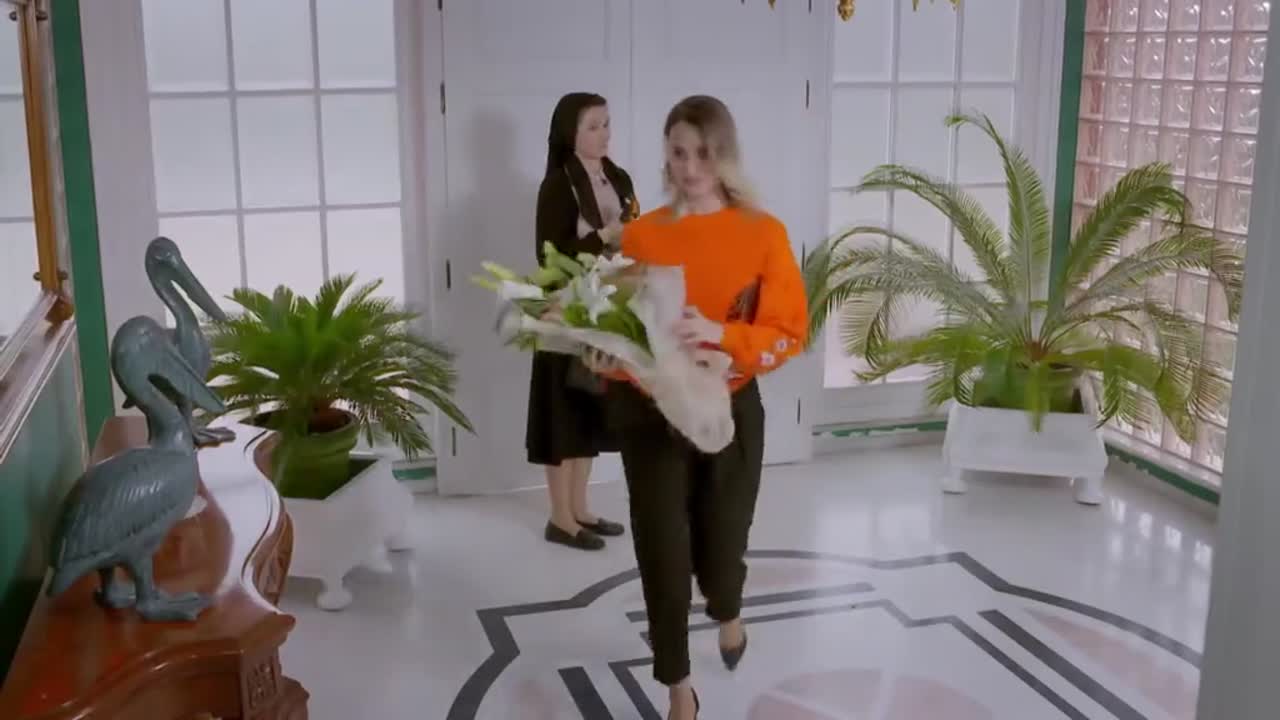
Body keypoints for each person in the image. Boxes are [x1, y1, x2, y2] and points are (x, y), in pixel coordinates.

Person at [588, 95, 807, 720]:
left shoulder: (763, 233)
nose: (689, 168)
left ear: (725, 155)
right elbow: (624, 329)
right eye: (678, 153)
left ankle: (727, 607)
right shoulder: (642, 235)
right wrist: (603, 355)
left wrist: (721, 334)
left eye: (703, 154)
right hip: (648, 413)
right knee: (662, 550)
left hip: (729, 412)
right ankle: (678, 687)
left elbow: (789, 332)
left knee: (721, 545)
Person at [527, 92, 638, 551]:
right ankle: (560, 518)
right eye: (593, 126)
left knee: (588, 410)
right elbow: (549, 257)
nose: (604, 134)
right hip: (563, 310)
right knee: (561, 413)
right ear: (569, 133)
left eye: (607, 123)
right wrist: (605, 235)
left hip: (604, 308)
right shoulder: (557, 185)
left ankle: (581, 509)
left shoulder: (619, 177)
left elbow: (634, 235)